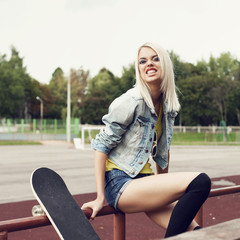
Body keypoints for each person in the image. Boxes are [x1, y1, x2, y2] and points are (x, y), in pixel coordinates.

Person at [81, 42, 211, 238]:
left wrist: (165, 186)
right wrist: (100, 198)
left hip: (145, 181)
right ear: (139, 69)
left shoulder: (168, 105)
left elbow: (163, 150)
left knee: (196, 234)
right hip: (120, 183)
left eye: (155, 58)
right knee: (201, 182)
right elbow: (101, 146)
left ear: (165, 64)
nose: (148, 64)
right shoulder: (131, 101)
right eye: (143, 61)